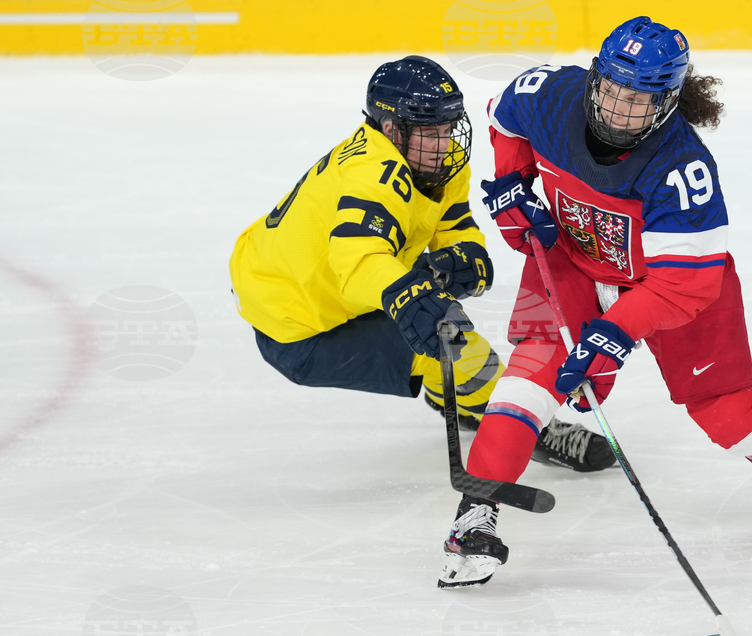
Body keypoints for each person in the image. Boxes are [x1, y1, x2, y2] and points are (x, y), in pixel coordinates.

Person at [437, 18, 752, 589]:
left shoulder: (682, 168)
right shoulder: (551, 95)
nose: (618, 108)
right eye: (612, 89)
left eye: (638, 99)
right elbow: (503, 116)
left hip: (673, 286)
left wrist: (612, 333)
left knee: (728, 412)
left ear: (669, 102)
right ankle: (475, 516)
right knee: (526, 384)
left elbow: (685, 286)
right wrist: (511, 184)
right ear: (596, 77)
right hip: (574, 262)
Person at [228, 55, 614, 470]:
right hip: (296, 324)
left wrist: (463, 255)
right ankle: (524, 424)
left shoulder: (436, 162)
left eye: (448, 129)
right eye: (430, 133)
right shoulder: (372, 175)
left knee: (433, 317)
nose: (445, 143)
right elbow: (357, 262)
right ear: (392, 129)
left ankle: (461, 399)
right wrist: (408, 294)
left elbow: (453, 224)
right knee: (454, 342)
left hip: (315, 286)